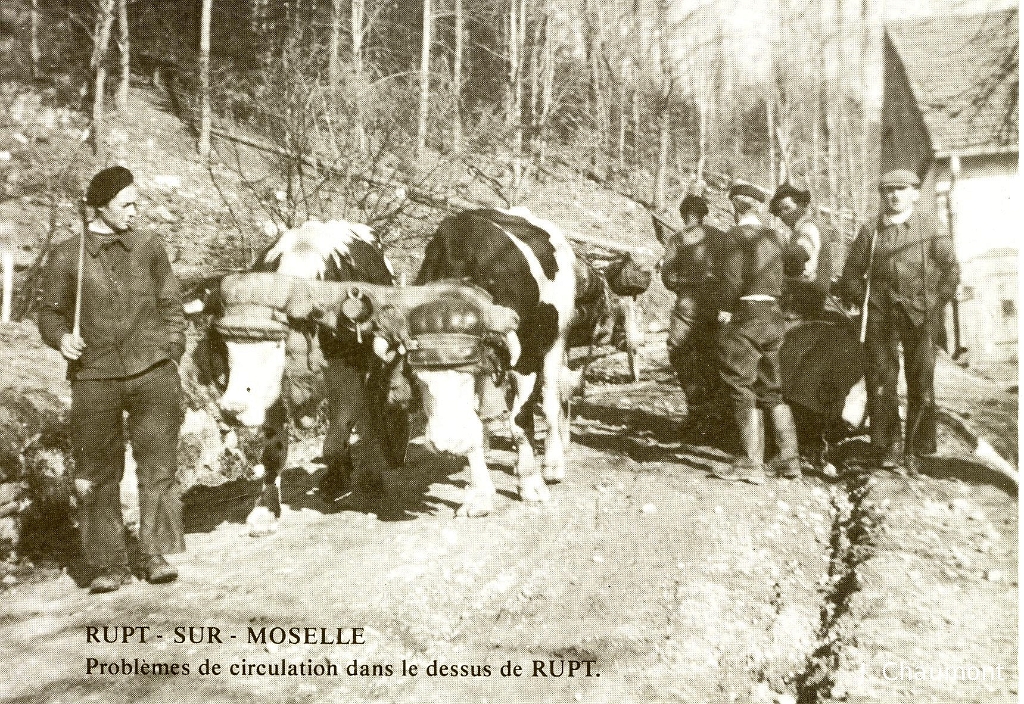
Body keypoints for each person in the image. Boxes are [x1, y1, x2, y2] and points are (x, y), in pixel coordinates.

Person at [38, 166, 187, 593]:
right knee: (98, 469)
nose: (134, 212)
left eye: (136, 203)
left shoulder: (149, 246)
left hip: (153, 372)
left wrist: (171, 349)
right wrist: (60, 337)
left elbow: (171, 302)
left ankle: (154, 552)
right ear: (100, 208)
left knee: (158, 465)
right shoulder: (69, 255)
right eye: (126, 205)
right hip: (95, 376)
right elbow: (49, 313)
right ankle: (107, 562)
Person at [836, 169, 960, 469]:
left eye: (901, 190)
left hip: (921, 316)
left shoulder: (931, 228)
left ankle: (920, 447)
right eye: (888, 190)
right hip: (881, 316)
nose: (894, 196)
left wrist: (933, 303)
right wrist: (862, 300)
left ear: (915, 194)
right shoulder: (871, 231)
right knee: (881, 379)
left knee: (921, 380)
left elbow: (951, 272)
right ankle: (886, 447)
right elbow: (851, 272)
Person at [713, 183, 802, 482]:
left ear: (737, 206)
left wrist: (725, 309)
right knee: (772, 388)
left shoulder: (734, 237)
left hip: (746, 315)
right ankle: (789, 460)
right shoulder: (774, 236)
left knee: (740, 385)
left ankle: (751, 464)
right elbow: (797, 260)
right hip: (774, 316)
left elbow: (732, 277)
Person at [661, 194, 718, 410]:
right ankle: (714, 408)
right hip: (717, 303)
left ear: (684, 214)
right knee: (711, 352)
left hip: (688, 303)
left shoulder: (678, 239)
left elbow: (667, 276)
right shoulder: (722, 237)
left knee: (678, 349)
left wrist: (683, 283)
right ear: (704, 215)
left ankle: (696, 405)